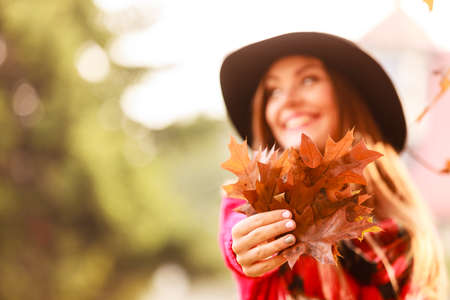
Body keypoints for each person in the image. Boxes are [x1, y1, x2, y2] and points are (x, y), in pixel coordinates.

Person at [217, 32, 447, 300]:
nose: (288, 100)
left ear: (344, 95)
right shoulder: (257, 196)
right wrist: (243, 245)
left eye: (308, 79)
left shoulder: (402, 228)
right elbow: (237, 229)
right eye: (274, 91)